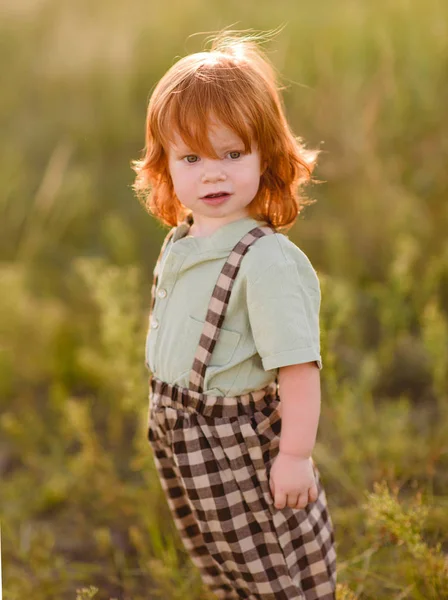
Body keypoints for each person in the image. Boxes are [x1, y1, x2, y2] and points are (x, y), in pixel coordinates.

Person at [132, 30, 337, 600]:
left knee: (272, 564)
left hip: (236, 444)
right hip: (181, 434)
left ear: (265, 155)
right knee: (219, 559)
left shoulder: (264, 259)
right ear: (165, 167)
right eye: (192, 158)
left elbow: (298, 368)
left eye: (232, 153)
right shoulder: (183, 240)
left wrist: (294, 456)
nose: (213, 174)